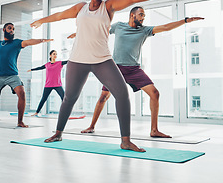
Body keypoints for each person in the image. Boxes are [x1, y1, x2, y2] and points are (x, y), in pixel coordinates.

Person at [31, 0, 187, 152]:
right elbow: (60, 15)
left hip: (102, 60)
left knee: (122, 94)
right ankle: (58, 133)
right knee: (70, 98)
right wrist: (41, 21)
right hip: (78, 60)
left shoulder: (108, 6)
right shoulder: (80, 8)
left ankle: (125, 141)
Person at [75, 7, 204, 137]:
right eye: (141, 15)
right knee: (103, 97)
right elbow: (100, 31)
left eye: (144, 16)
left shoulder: (145, 30)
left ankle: (154, 130)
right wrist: (80, 34)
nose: (143, 18)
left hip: (133, 70)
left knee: (154, 93)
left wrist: (186, 20)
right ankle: (91, 126)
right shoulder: (119, 26)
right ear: (132, 15)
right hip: (116, 69)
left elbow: (165, 27)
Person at [0, 23, 53, 127]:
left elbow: (28, 42)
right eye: (10, 28)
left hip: (12, 75)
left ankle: (20, 121)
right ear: (4, 30)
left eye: (13, 29)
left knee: (22, 94)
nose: (12, 30)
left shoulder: (17, 43)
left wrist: (42, 40)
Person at [28, 50, 67, 116]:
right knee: (43, 99)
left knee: (64, 98)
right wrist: (31, 70)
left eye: (56, 54)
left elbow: (68, 61)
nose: (55, 55)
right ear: (50, 55)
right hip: (48, 85)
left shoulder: (59, 63)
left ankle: (65, 113)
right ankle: (36, 112)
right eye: (54, 54)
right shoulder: (47, 65)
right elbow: (40, 68)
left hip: (57, 84)